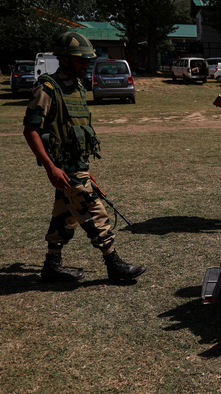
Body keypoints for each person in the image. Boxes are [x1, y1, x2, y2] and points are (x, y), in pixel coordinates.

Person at [23, 32, 146, 283]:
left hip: (77, 166)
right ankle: (114, 265)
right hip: (63, 168)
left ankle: (51, 266)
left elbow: (76, 131)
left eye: (87, 60)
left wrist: (86, 168)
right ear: (65, 59)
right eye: (81, 60)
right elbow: (31, 129)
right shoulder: (47, 88)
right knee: (93, 210)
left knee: (65, 216)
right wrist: (50, 167)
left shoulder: (77, 87)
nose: (86, 64)